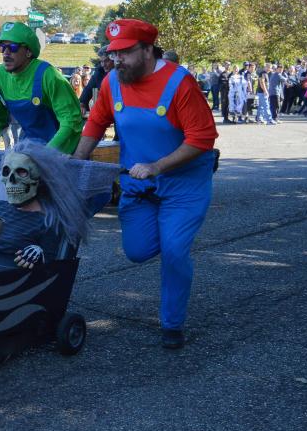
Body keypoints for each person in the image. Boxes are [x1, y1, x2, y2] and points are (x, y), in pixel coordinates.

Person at [73, 19, 218, 350]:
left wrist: (156, 166)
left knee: (174, 250)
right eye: (113, 53)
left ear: (148, 50)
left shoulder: (180, 83)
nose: (116, 59)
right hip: (138, 187)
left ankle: (172, 324)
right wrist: (76, 163)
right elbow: (96, 123)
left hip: (184, 185)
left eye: (124, 53)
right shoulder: (112, 82)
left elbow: (203, 138)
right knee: (136, 251)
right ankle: (166, 238)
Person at [0, 22, 83, 164]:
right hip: (31, 147)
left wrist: (47, 154)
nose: (6, 53)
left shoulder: (48, 75)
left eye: (13, 47)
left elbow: (71, 121)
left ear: (28, 51)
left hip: (62, 151)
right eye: (2, 47)